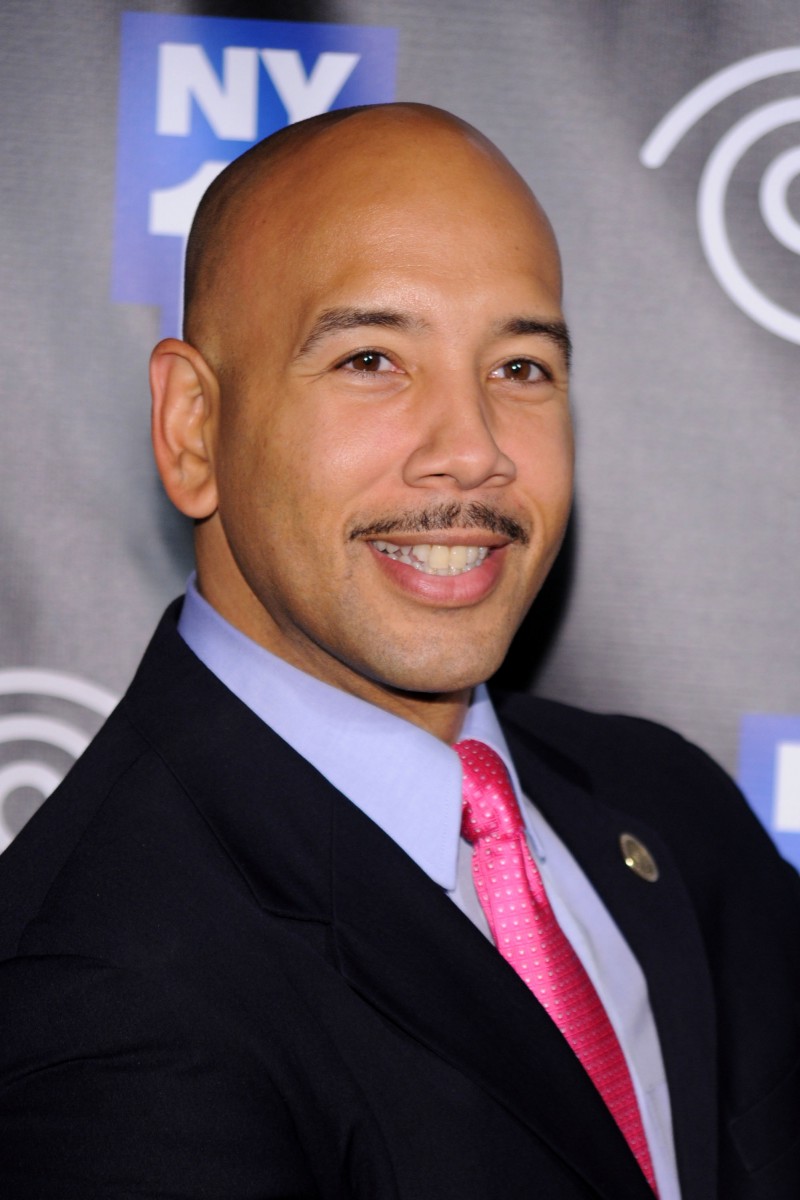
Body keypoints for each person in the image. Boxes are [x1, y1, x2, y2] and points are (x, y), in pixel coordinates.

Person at [0, 104, 797, 1200]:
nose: (472, 450)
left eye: (520, 368)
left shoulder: (668, 807)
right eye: (371, 359)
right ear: (193, 428)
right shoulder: (97, 991)